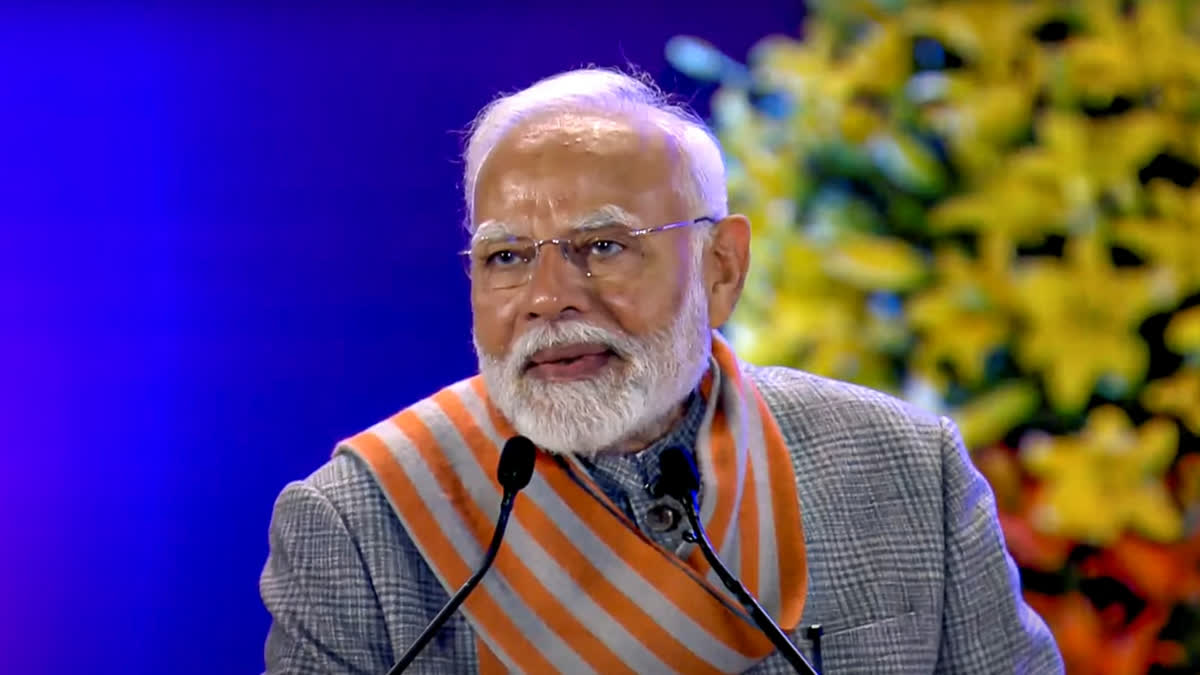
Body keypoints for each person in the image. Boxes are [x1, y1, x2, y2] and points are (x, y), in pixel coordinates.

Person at [260, 68, 1063, 674]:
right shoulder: (361, 522)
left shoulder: (905, 470)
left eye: (603, 245)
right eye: (506, 256)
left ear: (722, 266)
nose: (546, 298)